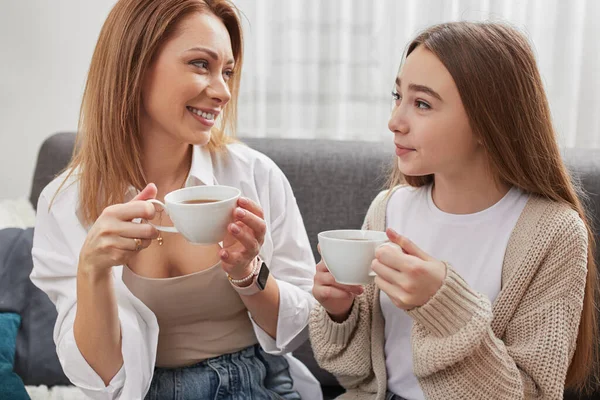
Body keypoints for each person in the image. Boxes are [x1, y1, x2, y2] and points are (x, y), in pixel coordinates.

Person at [30, 0, 321, 399]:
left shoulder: (254, 175)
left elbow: (299, 326)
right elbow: (100, 379)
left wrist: (250, 275)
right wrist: (92, 271)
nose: (222, 92)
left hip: (256, 385)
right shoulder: (64, 204)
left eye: (228, 72)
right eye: (201, 64)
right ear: (136, 63)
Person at [309, 21, 598, 400]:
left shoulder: (554, 232)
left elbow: (533, 394)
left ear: (487, 121)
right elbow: (356, 375)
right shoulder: (388, 209)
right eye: (397, 97)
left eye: (422, 104)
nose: (394, 122)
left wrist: (443, 307)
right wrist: (339, 313)